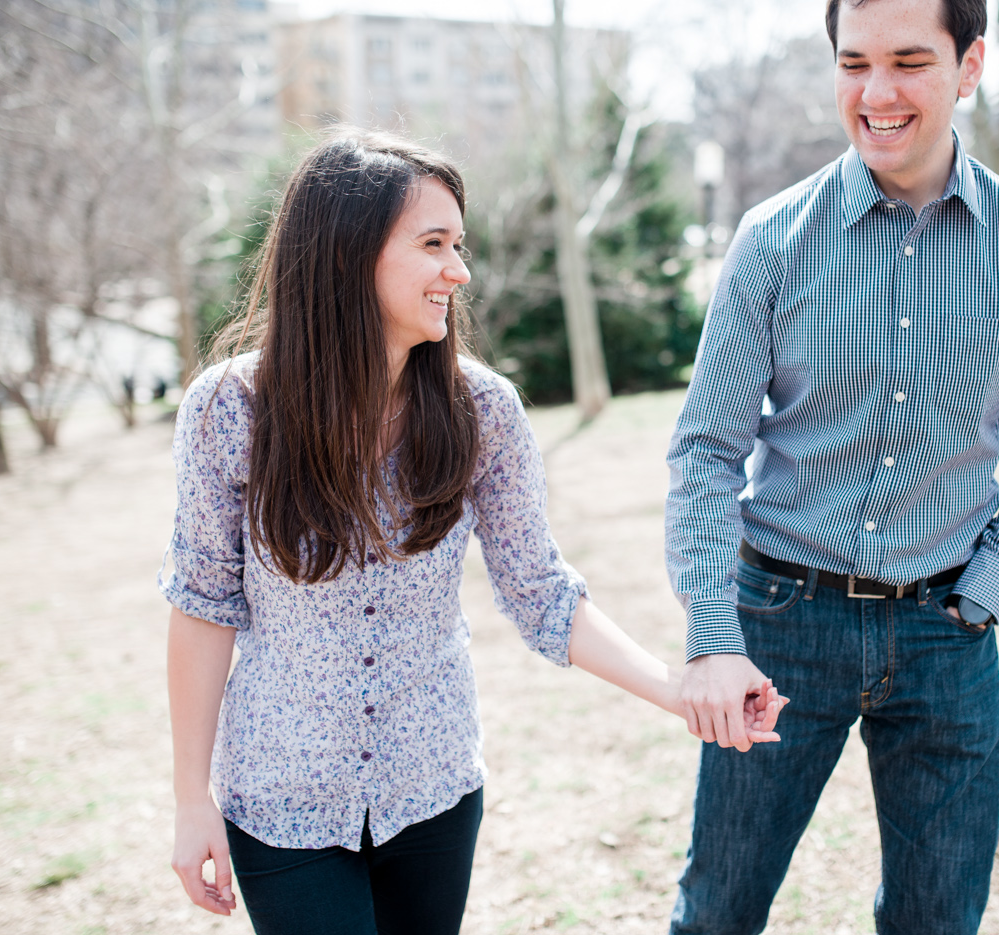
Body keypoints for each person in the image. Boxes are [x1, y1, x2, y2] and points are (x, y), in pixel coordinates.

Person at [159, 130, 785, 935]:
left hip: (434, 790)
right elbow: (204, 606)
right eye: (433, 245)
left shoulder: (482, 411)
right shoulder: (227, 411)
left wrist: (680, 690)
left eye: (459, 244)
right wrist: (189, 798)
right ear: (347, 254)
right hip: (280, 801)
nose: (459, 271)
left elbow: (541, 592)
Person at [664, 0, 999, 932]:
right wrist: (713, 631)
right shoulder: (771, 240)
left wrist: (988, 587)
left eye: (909, 60)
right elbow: (706, 450)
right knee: (717, 914)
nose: (878, 92)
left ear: (969, 64)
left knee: (937, 921)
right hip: (778, 626)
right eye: (854, 63)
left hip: (948, 632)